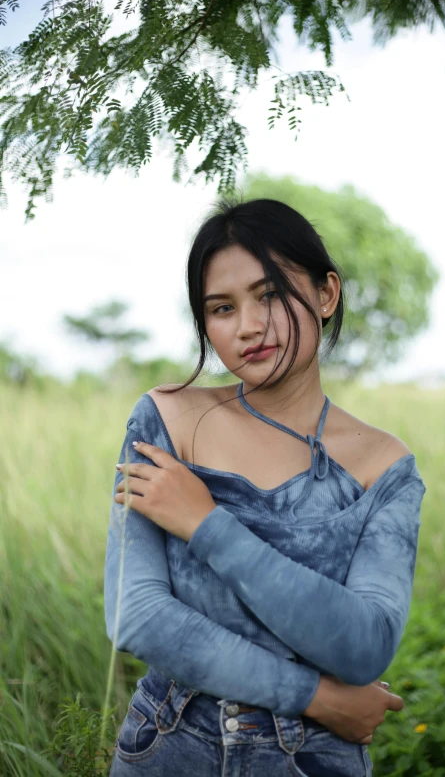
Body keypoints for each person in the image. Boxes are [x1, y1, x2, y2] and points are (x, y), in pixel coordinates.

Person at [104, 197, 426, 776]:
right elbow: (139, 616)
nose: (248, 327)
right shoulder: (166, 421)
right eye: (221, 308)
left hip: (313, 759)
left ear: (326, 294)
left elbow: (365, 645)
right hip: (170, 747)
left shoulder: (385, 466)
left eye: (270, 293)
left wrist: (207, 525)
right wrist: (319, 696)